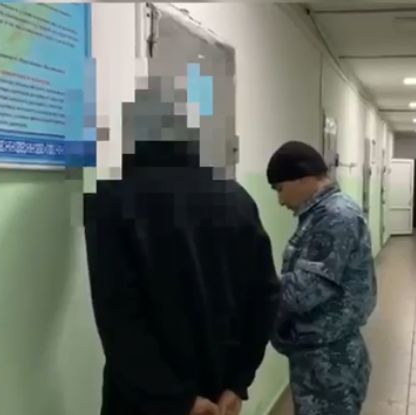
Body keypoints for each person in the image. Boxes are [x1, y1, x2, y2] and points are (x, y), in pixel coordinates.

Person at [83, 20, 280, 415]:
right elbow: (264, 298)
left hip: (143, 402)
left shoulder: (110, 200)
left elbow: (120, 319)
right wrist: (237, 383)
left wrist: (178, 400)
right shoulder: (238, 199)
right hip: (219, 392)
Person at [265, 140, 377, 415]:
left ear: (302, 178)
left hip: (329, 365)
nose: (280, 200)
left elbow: (305, 291)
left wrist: (252, 286)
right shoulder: (320, 215)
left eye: (280, 189)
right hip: (319, 358)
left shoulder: (335, 218)